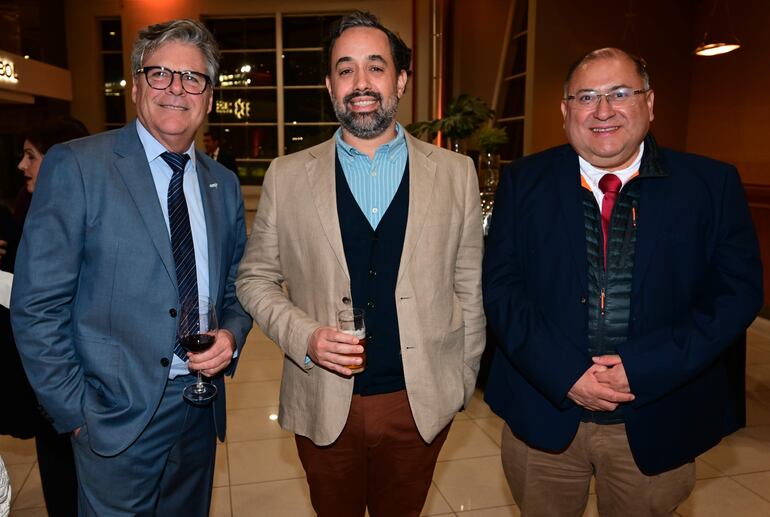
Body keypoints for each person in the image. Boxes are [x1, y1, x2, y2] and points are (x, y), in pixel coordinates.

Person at [482, 47, 763, 517]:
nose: (603, 110)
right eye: (586, 96)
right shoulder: (524, 182)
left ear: (649, 103)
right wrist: (565, 372)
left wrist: (645, 367)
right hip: (544, 413)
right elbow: (501, 288)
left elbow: (736, 294)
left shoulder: (710, 186)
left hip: (657, 416)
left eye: (619, 93)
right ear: (565, 111)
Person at [236, 10, 485, 517]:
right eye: (346, 69)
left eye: (376, 65)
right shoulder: (287, 176)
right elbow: (255, 278)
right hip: (323, 402)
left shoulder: (456, 174)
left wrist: (460, 380)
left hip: (418, 403)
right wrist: (304, 334)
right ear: (330, 84)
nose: (361, 82)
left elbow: (469, 287)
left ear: (401, 79)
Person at [11, 19, 252, 516]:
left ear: (207, 97)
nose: (175, 89)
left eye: (192, 79)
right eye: (160, 74)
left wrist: (230, 334)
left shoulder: (222, 184)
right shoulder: (78, 166)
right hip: (113, 416)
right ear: (137, 83)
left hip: (200, 410)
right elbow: (37, 305)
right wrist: (76, 412)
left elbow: (236, 288)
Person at [1, 118, 89, 517]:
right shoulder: (27, 204)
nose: (22, 165)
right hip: (44, 381)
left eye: (31, 156)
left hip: (77, 379)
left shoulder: (88, 213)